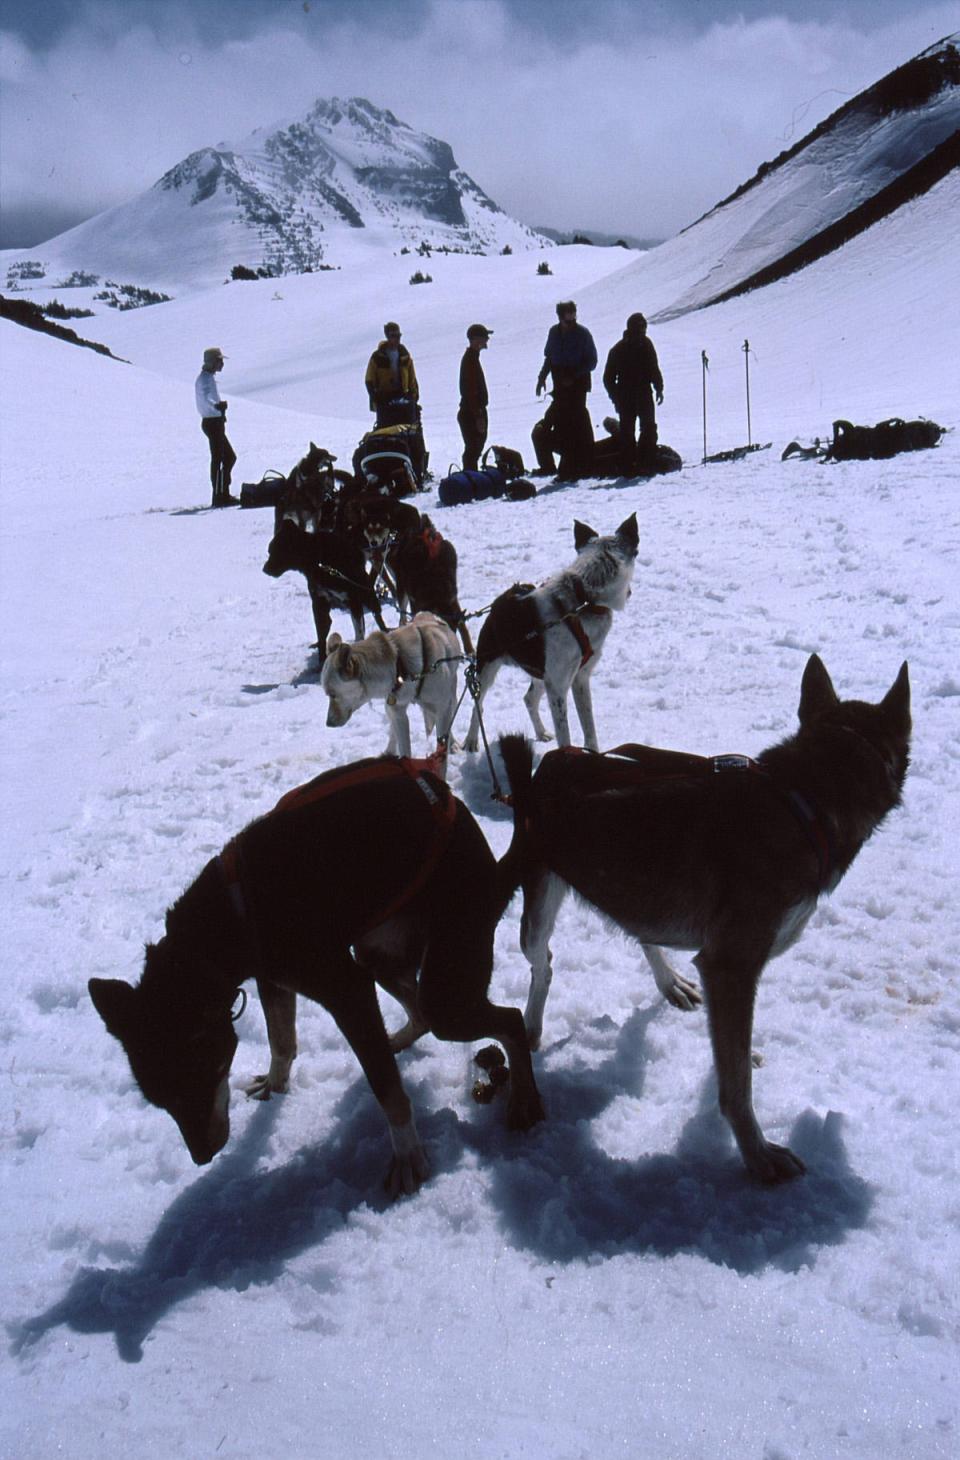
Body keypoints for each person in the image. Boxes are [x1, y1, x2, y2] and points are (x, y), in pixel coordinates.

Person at [535, 301, 597, 480]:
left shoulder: (583, 334)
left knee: (574, 425)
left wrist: (575, 375)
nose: (571, 320)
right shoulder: (554, 332)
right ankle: (560, 467)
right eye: (567, 316)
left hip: (578, 388)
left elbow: (592, 361)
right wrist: (542, 377)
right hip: (560, 386)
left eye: (573, 315)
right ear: (560, 317)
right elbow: (549, 357)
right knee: (558, 424)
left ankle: (571, 468)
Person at [602, 312, 664, 475]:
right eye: (641, 328)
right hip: (626, 397)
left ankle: (646, 460)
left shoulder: (646, 344)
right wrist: (616, 398)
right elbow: (608, 378)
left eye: (644, 328)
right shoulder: (618, 350)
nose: (643, 332)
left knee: (648, 428)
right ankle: (629, 465)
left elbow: (653, 368)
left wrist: (659, 388)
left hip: (644, 393)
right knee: (627, 432)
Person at [195, 346, 238, 507]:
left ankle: (221, 494)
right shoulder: (206, 379)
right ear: (212, 362)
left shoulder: (207, 378)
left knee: (226, 457)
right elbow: (207, 398)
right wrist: (217, 406)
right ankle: (220, 496)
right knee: (222, 458)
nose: (222, 364)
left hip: (213, 422)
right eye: (219, 360)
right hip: (213, 422)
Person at [364, 322, 419, 426]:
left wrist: (413, 397)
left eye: (398, 336)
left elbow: (412, 378)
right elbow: (369, 380)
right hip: (384, 399)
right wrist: (376, 398)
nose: (397, 339)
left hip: (402, 397)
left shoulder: (405, 355)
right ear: (387, 336)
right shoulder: (377, 357)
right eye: (393, 336)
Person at [458, 323, 492, 471]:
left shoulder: (472, 358)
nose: (487, 340)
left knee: (474, 447)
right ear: (476, 339)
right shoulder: (470, 360)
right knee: (473, 448)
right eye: (485, 337)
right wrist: (478, 415)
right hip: (471, 412)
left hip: (472, 411)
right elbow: (470, 391)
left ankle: (472, 477)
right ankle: (471, 478)